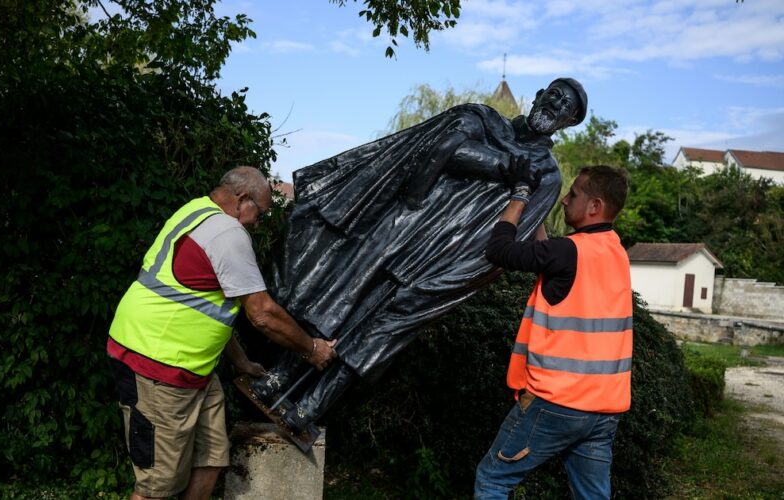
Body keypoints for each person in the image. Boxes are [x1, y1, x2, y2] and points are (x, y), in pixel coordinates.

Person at [250, 78, 589, 435]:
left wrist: (451, 281)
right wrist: (506, 166)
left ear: (569, 122)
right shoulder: (483, 118)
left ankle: (310, 408)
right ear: (537, 95)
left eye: (567, 106)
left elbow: (512, 239)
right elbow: (442, 148)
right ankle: (277, 377)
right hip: (402, 226)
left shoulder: (548, 175)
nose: (556, 105)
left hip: (443, 258)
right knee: (340, 300)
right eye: (554, 95)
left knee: (377, 334)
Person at [106, 166, 337, 500]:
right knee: (156, 486)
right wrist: (312, 348)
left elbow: (206, 306)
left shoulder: (196, 210)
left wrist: (242, 362)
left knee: (212, 456)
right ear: (242, 200)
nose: (259, 224)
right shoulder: (228, 233)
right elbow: (262, 313)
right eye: (260, 213)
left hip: (190, 367)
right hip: (156, 364)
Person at [474, 165, 633, 499]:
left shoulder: (568, 251)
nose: (564, 200)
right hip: (603, 409)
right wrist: (537, 213)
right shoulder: (615, 251)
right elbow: (553, 261)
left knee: (493, 480)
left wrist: (519, 196)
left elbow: (498, 250)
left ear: (595, 206)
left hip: (557, 402)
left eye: (573, 193)